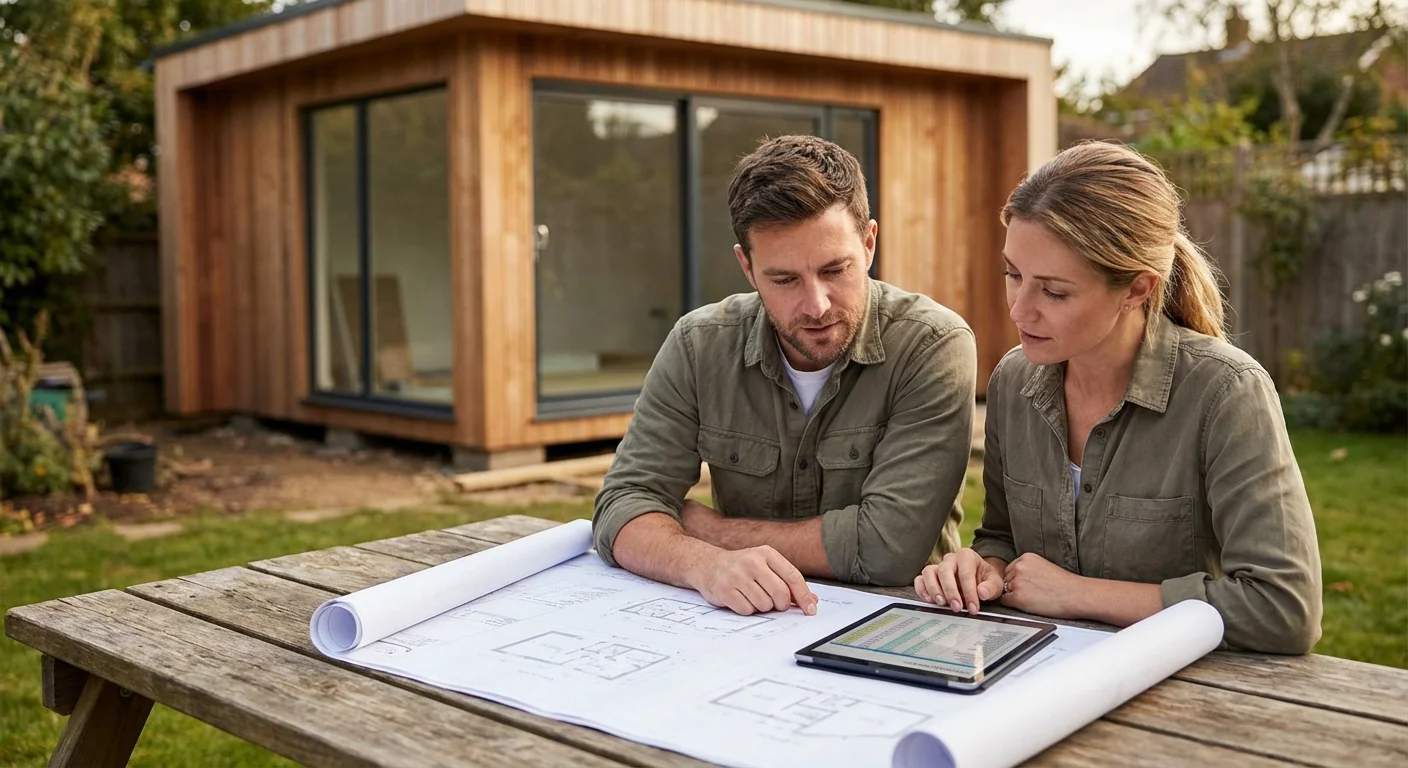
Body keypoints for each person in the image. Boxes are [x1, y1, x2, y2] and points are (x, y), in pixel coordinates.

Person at [915, 141, 1323, 654]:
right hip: (1031, 684)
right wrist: (983, 568)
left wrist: (1081, 595)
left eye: (1055, 292)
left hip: (1192, 698)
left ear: (1137, 290)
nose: (1019, 310)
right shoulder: (1012, 383)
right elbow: (1001, 535)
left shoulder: (1226, 393)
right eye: (1013, 274)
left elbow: (1284, 609)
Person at [593, 135, 977, 617]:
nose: (816, 305)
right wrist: (703, 564)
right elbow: (622, 506)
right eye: (785, 280)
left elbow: (888, 549)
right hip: (743, 627)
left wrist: (705, 527)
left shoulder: (931, 344)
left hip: (897, 624)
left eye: (835, 270)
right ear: (747, 267)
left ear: (869, 242)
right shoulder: (698, 345)